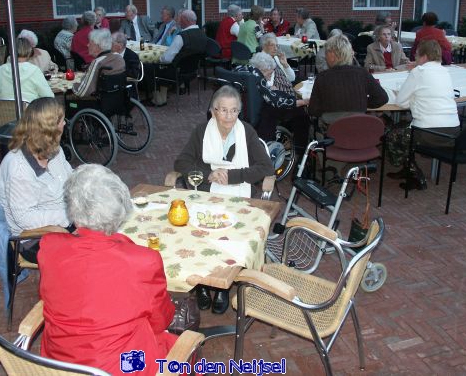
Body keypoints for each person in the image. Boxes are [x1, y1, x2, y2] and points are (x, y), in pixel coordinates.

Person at [38, 164, 176, 375]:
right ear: (119, 210)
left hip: (59, 365)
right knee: (183, 350)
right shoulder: (143, 261)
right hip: (121, 367)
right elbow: (161, 320)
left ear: (72, 209)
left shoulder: (49, 247)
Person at [174, 85, 273, 314]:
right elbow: (182, 162)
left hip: (239, 192)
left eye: (234, 110)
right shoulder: (201, 131)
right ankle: (201, 284)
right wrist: (207, 174)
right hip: (207, 191)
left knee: (230, 237)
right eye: (223, 110)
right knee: (199, 233)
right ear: (213, 111)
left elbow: (266, 167)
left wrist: (233, 176)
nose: (229, 116)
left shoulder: (246, 132)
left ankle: (222, 288)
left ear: (239, 111)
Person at [0, 97, 72, 260]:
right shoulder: (19, 168)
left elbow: (71, 178)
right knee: (90, 252)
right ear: (49, 128)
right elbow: (25, 218)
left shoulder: (54, 150)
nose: (65, 123)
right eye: (61, 120)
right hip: (34, 238)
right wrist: (69, 215)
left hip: (65, 221)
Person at [388, 40, 460, 189]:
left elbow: (400, 102)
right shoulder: (445, 71)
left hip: (428, 133)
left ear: (425, 57)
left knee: (393, 134)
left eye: (416, 55)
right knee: (403, 127)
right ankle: (407, 169)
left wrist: (413, 99)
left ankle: (415, 174)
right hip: (452, 131)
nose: (414, 58)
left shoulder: (419, 72)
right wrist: (416, 99)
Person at [308, 35, 388, 128]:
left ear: (332, 55)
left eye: (326, 53)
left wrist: (328, 106)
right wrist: (362, 103)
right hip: (358, 126)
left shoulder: (322, 77)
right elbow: (382, 98)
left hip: (331, 128)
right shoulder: (362, 73)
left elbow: (313, 109)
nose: (325, 57)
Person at [238, 52, 310, 154]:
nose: (269, 77)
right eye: (269, 74)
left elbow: (263, 91)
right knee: (301, 113)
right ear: (262, 70)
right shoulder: (258, 77)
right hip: (260, 114)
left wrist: (267, 88)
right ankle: (300, 151)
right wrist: (303, 101)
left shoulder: (244, 69)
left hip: (243, 110)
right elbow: (276, 101)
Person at [150, 9, 206, 105]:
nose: (179, 22)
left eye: (180, 20)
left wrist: (158, 60)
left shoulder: (181, 37)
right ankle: (163, 97)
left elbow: (167, 59)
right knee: (162, 67)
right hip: (193, 71)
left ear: (185, 20)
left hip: (177, 73)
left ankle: (158, 99)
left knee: (149, 68)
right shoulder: (202, 35)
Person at [0, 37, 54, 102]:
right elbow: (49, 96)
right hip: (29, 107)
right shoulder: (34, 70)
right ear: (29, 51)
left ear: (10, 51)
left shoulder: (0, 70)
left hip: (5, 108)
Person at [72, 29, 125, 98]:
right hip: (118, 99)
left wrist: (72, 84)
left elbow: (82, 92)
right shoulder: (119, 58)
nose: (87, 45)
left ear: (98, 46)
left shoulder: (98, 62)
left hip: (100, 101)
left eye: (90, 43)